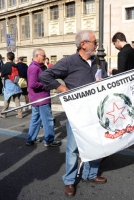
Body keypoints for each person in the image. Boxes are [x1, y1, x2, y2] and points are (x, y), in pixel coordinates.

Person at [39, 30, 108, 197]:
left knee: (96, 145)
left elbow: (105, 79)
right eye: (94, 42)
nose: (97, 44)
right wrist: (63, 89)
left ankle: (90, 174)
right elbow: (45, 76)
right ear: (83, 44)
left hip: (96, 112)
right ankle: (69, 180)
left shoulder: (99, 61)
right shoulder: (69, 62)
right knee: (73, 148)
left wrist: (103, 80)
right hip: (77, 113)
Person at [26, 48, 61, 147]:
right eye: (43, 56)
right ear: (37, 56)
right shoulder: (35, 68)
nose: (45, 58)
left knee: (35, 119)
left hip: (36, 98)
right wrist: (46, 84)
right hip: (41, 98)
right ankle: (49, 140)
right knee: (47, 120)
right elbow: (32, 84)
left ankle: (30, 139)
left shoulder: (34, 66)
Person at [0, 52, 23, 119]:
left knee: (7, 99)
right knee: (17, 99)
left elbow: (2, 74)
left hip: (8, 83)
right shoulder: (16, 65)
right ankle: (20, 114)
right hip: (15, 83)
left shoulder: (6, 65)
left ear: (7, 58)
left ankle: (3, 114)